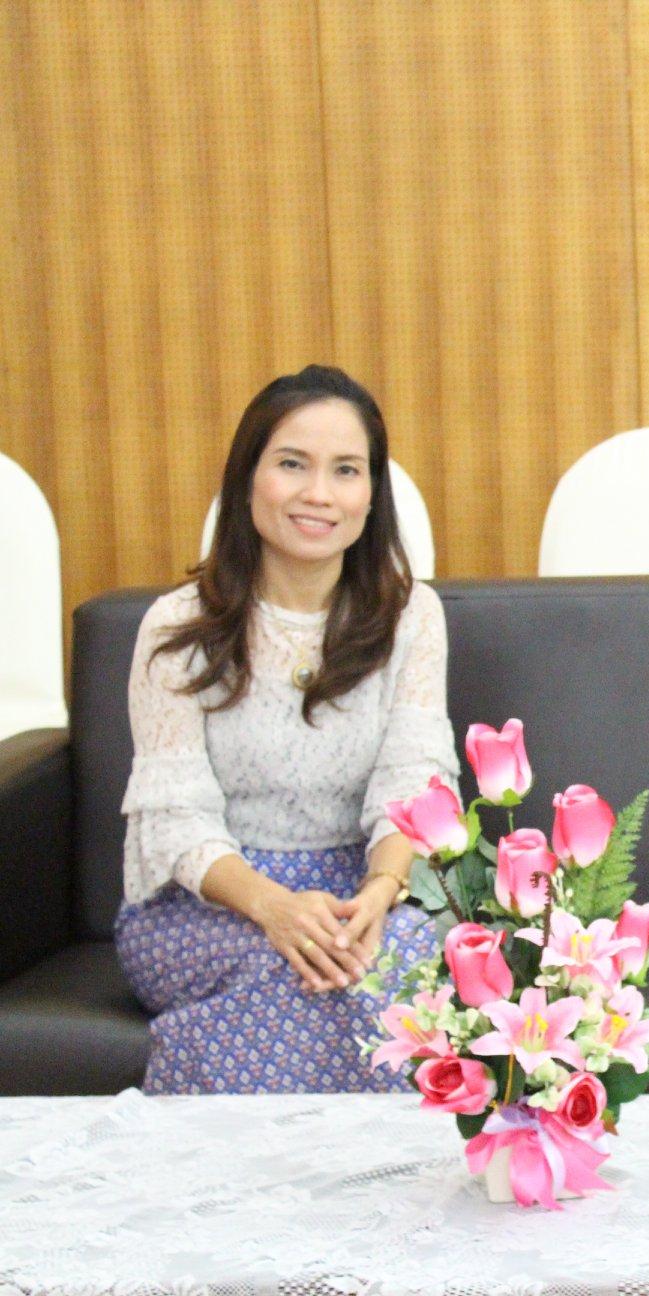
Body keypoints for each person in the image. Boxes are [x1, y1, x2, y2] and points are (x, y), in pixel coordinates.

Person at [116, 365, 458, 1094]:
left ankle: (202, 1108)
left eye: (346, 470)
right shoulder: (176, 629)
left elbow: (415, 783)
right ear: (247, 478)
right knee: (316, 968)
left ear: (372, 496)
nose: (319, 494)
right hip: (207, 905)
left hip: (358, 893)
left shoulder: (411, 618)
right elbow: (174, 820)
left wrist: (380, 890)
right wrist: (273, 907)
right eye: (293, 464)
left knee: (396, 953)